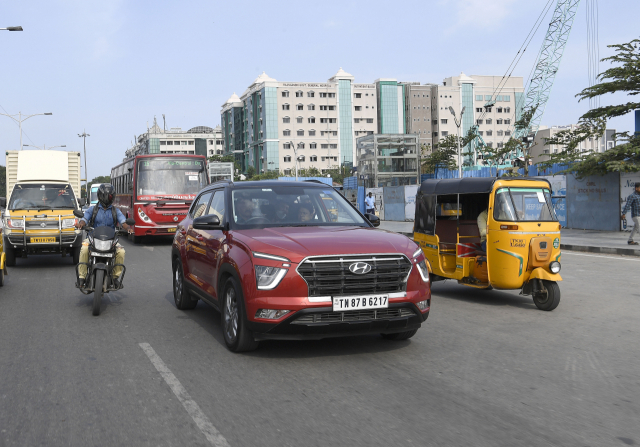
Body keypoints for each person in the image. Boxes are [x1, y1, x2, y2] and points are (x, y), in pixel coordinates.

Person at [75, 184, 131, 287]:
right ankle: (82, 277)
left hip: (111, 240)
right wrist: (81, 224)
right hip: (93, 238)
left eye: (109, 196)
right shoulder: (93, 209)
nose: (107, 198)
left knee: (121, 252)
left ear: (112, 197)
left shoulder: (115, 211)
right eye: (105, 195)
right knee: (84, 249)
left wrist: (128, 228)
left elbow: (123, 222)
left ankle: (115, 278)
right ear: (100, 196)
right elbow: (84, 219)